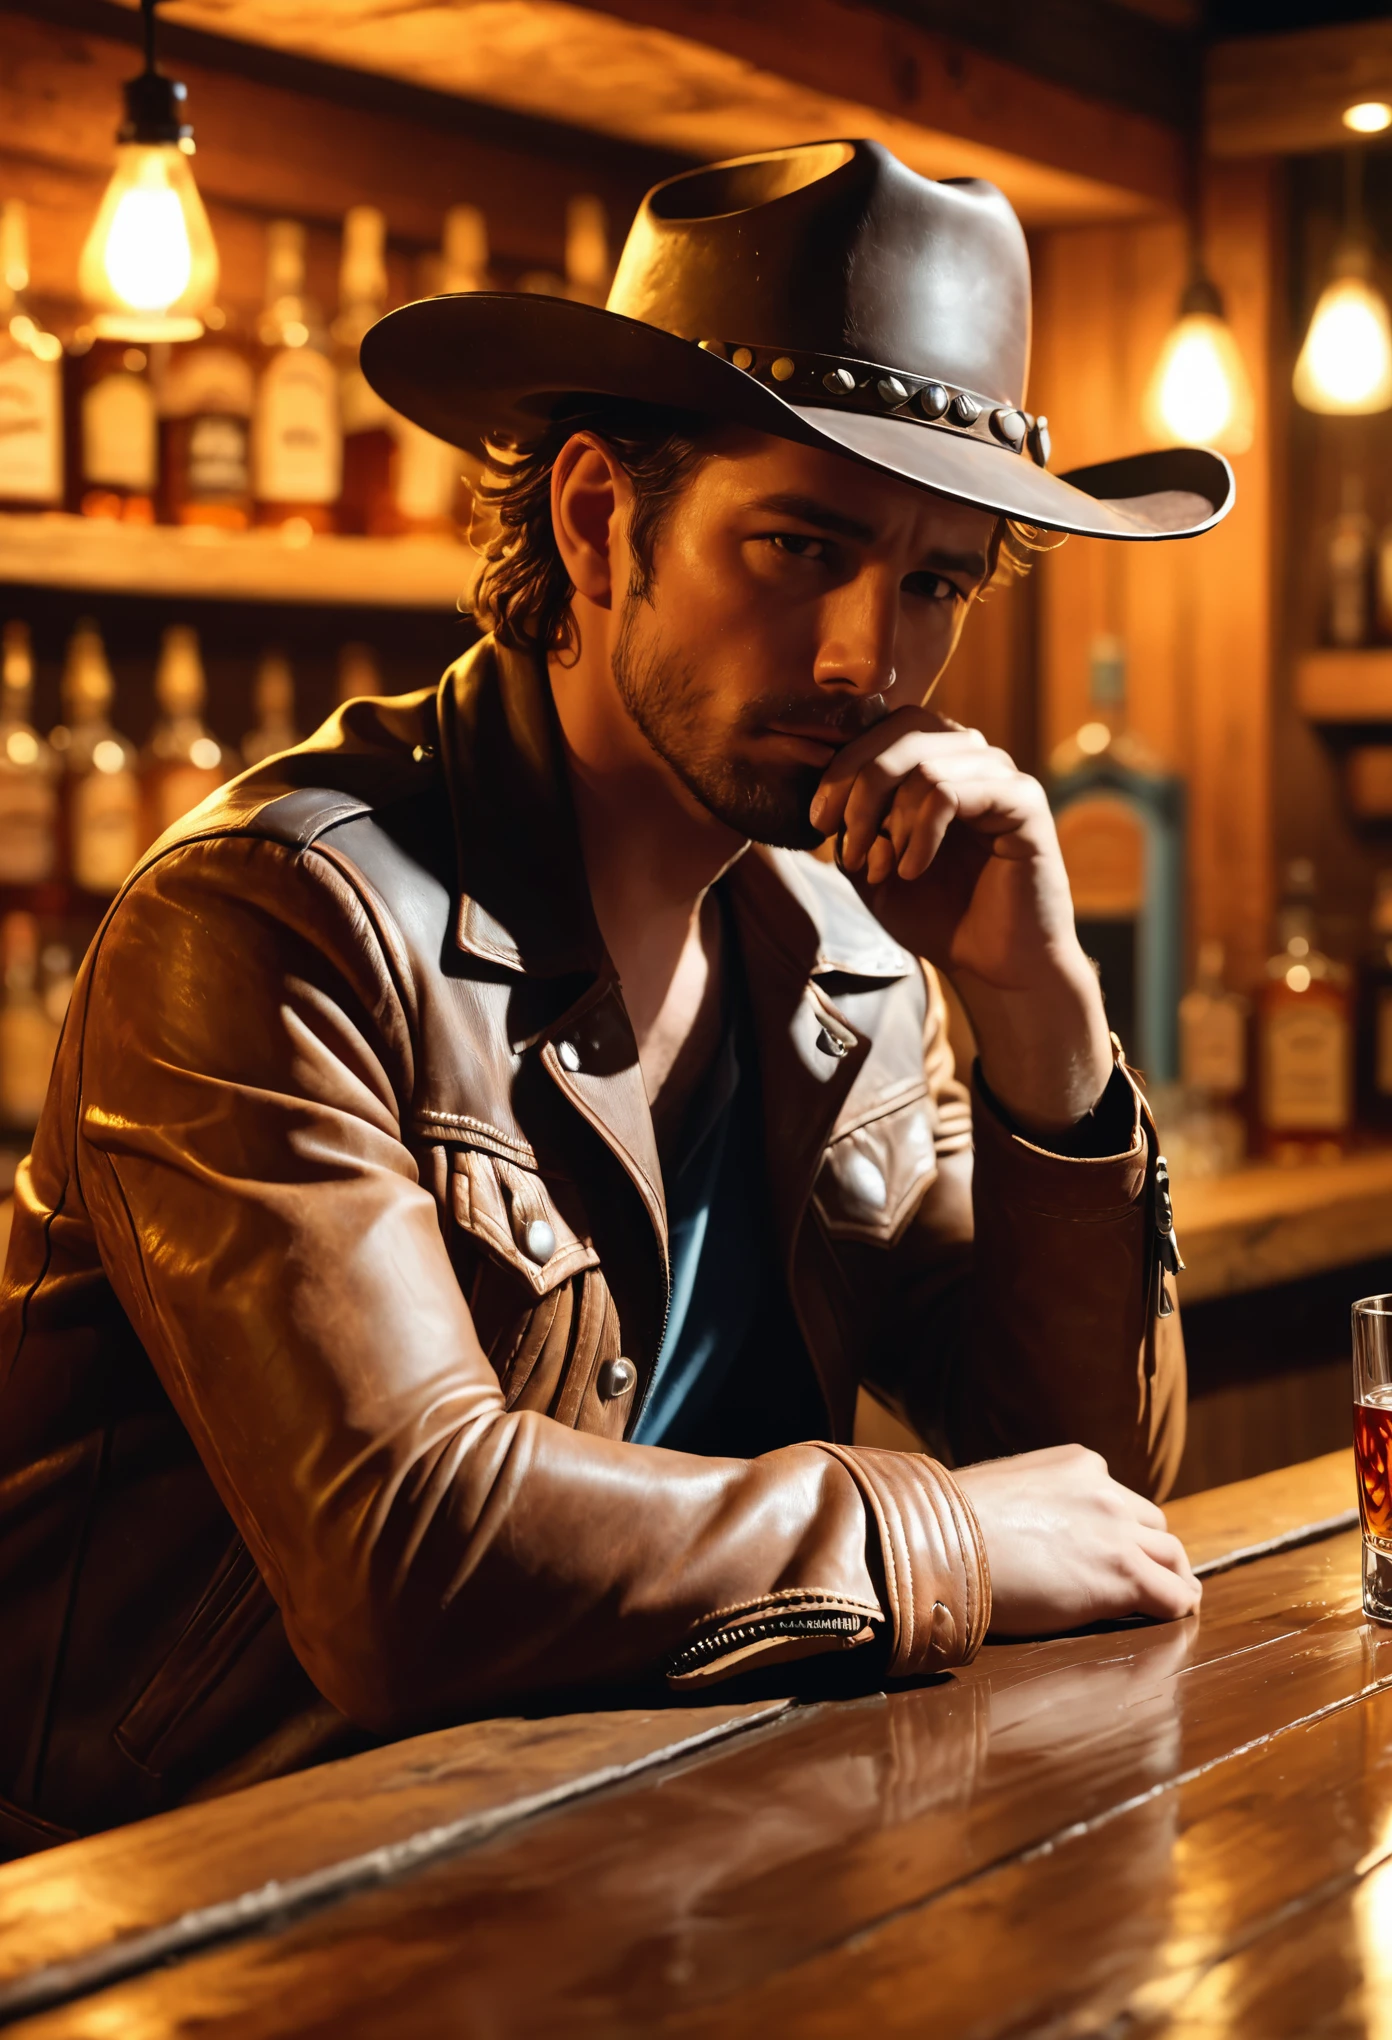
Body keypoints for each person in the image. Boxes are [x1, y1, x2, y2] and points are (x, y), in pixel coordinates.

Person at [0, 139, 1227, 1852]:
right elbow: (405, 1561)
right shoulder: (273, 919)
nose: (872, 657)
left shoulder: (851, 953)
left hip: (652, 1859)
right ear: (598, 519)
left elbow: (1086, 1480)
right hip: (223, 1898)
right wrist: (932, 1538)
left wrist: (1046, 1020)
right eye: (802, 546)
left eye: (935, 580)